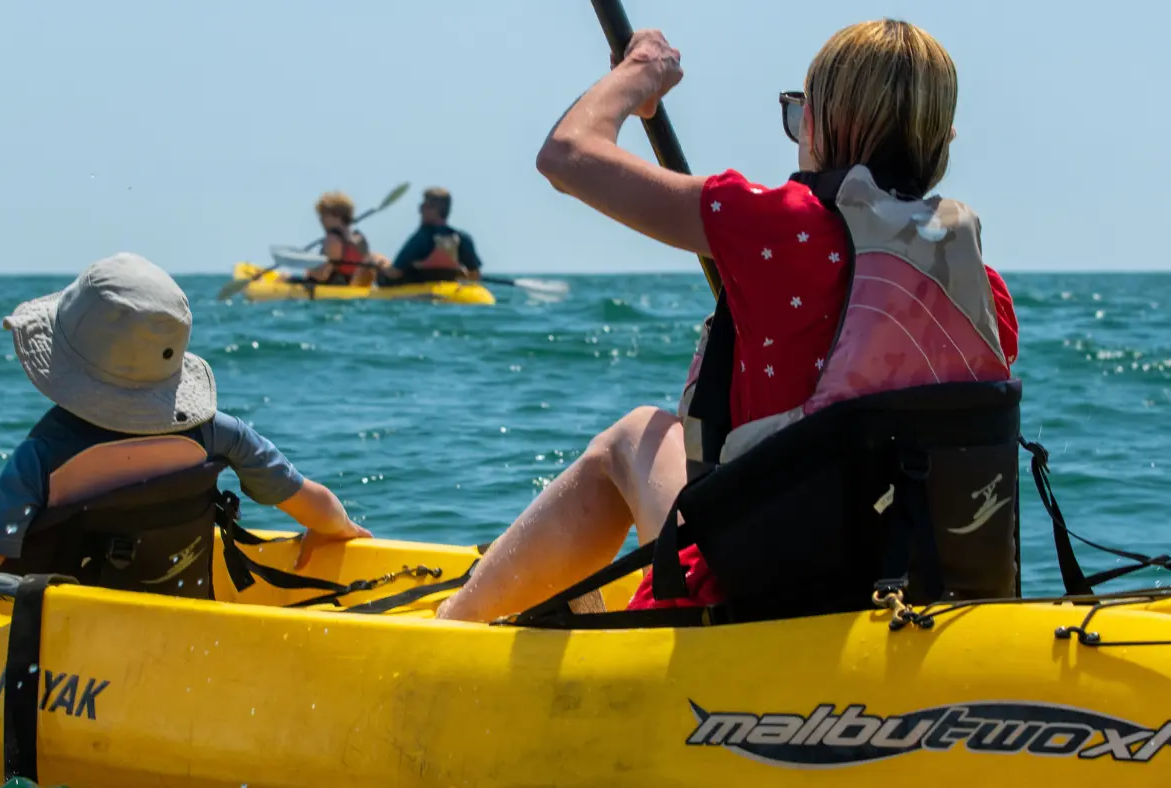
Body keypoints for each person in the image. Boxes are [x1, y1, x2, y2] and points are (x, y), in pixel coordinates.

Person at [437, 21, 1023, 624]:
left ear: (820, 123)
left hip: (767, 588)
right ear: (941, 142)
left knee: (633, 438)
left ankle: (447, 633)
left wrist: (639, 74)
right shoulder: (980, 287)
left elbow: (566, 155)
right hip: (912, 579)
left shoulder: (776, 225)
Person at [0, 253, 372, 599]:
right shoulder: (216, 433)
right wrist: (336, 533)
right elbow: (313, 503)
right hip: (160, 594)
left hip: (53, 609)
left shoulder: (45, 454)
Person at [383, 187, 483, 284]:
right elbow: (475, 274)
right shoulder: (463, 238)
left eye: (423, 206)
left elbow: (395, 272)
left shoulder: (421, 237)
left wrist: (381, 266)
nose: (420, 210)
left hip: (418, 285)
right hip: (450, 282)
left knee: (379, 263)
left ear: (431, 209)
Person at [304, 191, 386, 286]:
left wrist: (308, 270)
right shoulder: (360, 238)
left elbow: (322, 275)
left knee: (286, 277)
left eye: (323, 215)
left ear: (336, 216)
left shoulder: (332, 239)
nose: (321, 220)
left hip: (332, 294)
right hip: (355, 289)